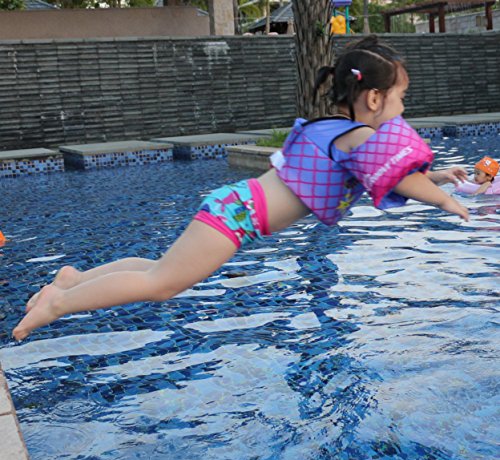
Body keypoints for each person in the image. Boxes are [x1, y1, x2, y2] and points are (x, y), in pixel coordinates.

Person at [12, 36, 469, 342]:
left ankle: (75, 279)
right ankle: (59, 303)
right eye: (401, 97)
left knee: (157, 268)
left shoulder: (337, 130)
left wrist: (438, 176)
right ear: (374, 97)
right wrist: (445, 201)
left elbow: (386, 175)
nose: (402, 107)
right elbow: (397, 176)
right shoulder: (359, 136)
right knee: (161, 284)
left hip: (233, 205)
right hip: (236, 217)